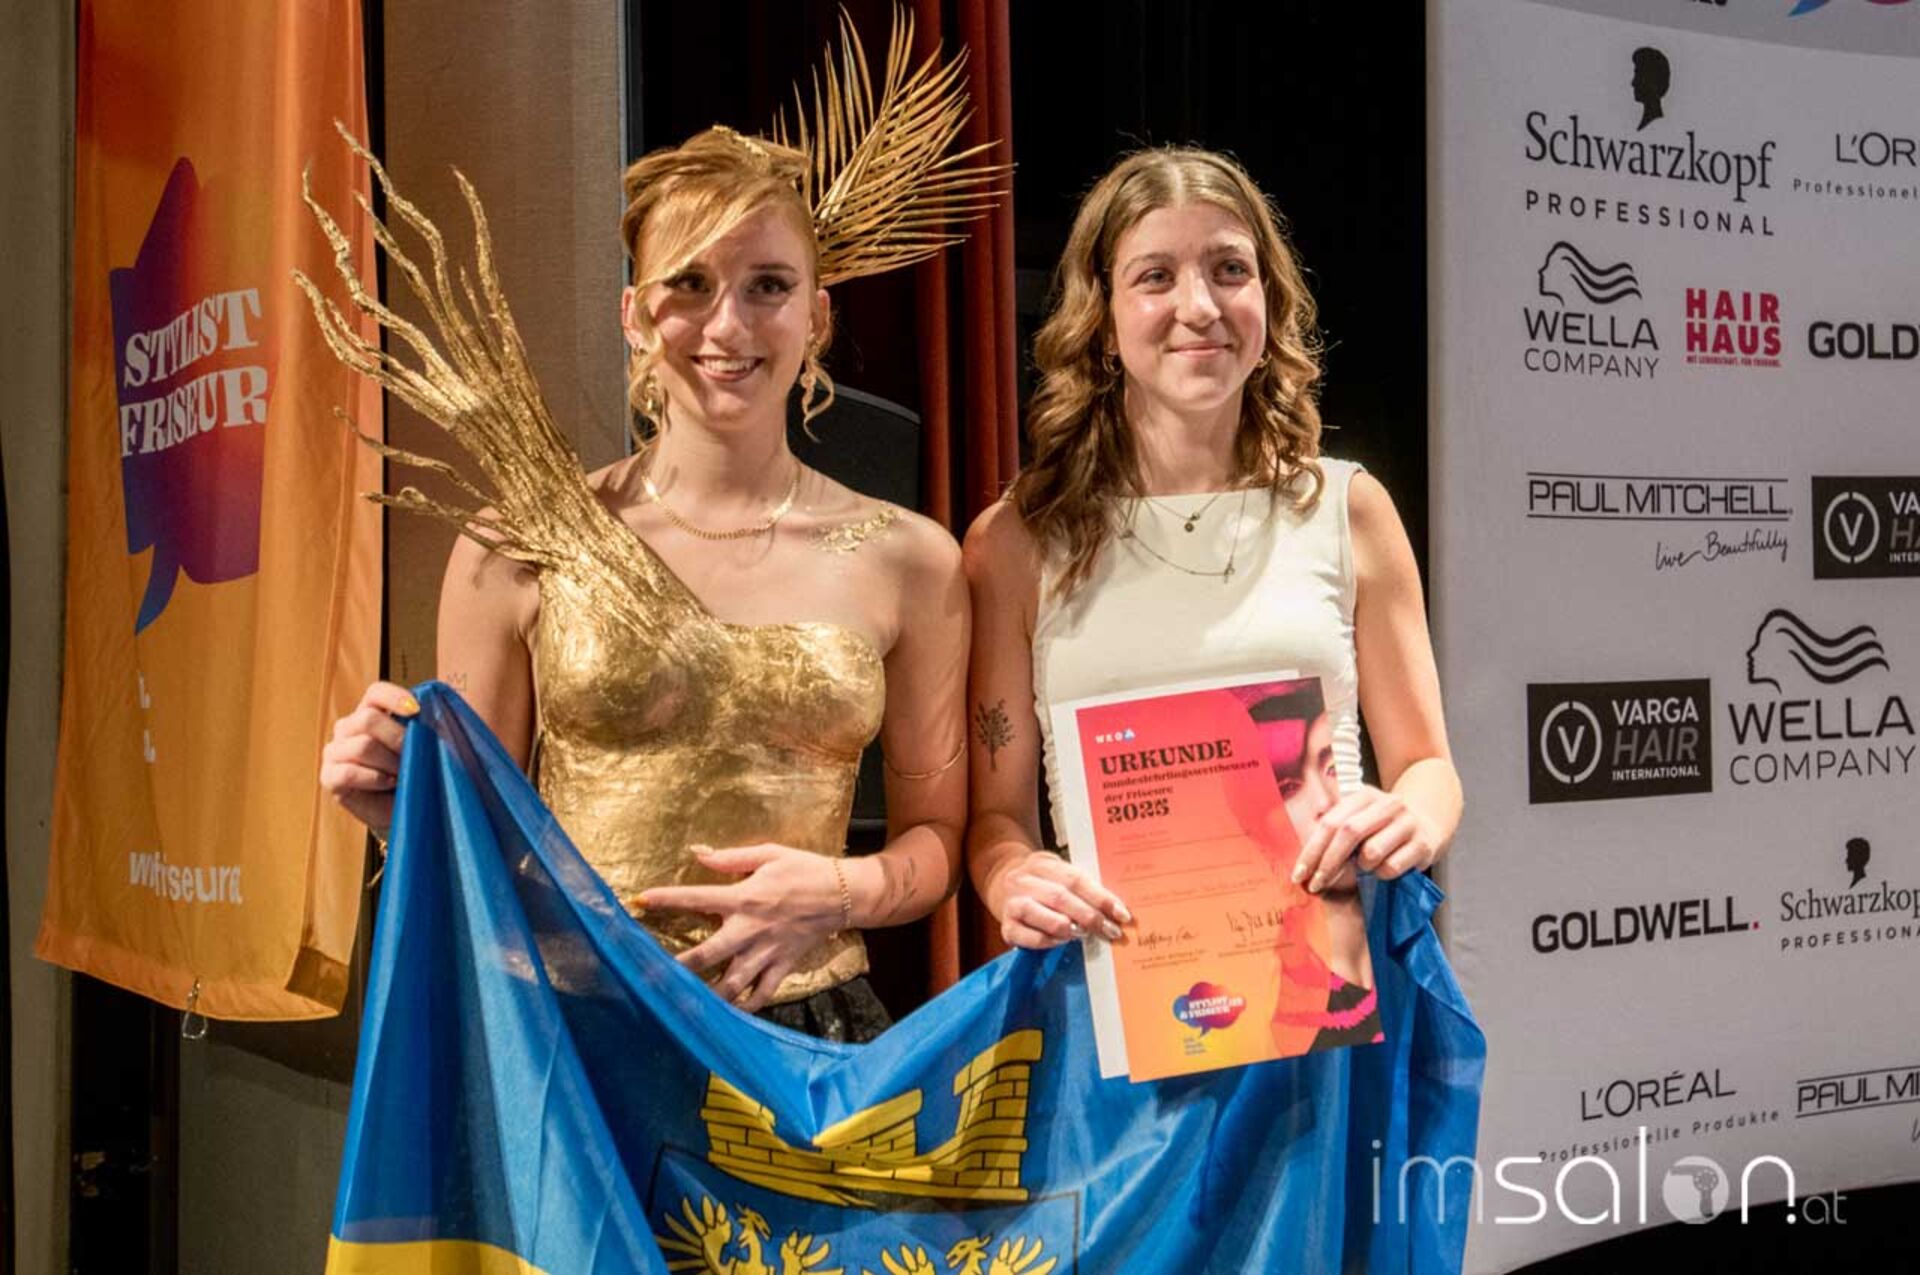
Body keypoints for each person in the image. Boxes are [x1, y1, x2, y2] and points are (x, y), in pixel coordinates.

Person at [313, 17, 1000, 1042]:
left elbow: (938, 841)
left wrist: (837, 892)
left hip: (806, 1042)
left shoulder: (912, 561)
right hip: (569, 1042)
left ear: (817, 317)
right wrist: (397, 809)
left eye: (768, 287)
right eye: (691, 285)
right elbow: (475, 845)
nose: (727, 326)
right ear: (634, 314)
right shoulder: (522, 544)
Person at [963, 145, 1462, 971]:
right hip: (1118, 985)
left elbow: (1429, 768)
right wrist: (1010, 874)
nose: (1198, 307)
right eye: (1155, 277)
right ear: (1102, 315)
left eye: (1230, 269)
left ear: (1269, 297)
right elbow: (995, 820)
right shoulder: (1017, 541)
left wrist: (1414, 818)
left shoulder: (1349, 510)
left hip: (1330, 982)